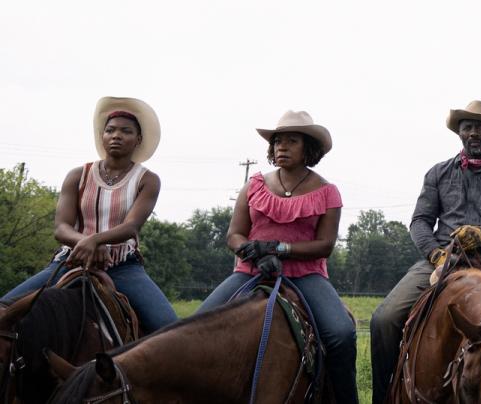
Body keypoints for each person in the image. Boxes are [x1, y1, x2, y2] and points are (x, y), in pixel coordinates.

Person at [369, 100, 481, 404]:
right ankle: (383, 396)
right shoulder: (438, 173)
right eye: (467, 126)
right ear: (459, 133)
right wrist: (434, 254)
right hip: (442, 256)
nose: (473, 132)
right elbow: (420, 221)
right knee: (383, 319)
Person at [194, 110, 358, 404]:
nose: (281, 146)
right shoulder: (254, 185)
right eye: (278, 141)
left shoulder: (327, 192)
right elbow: (234, 234)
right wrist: (252, 252)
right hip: (250, 270)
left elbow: (325, 245)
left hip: (305, 275)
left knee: (341, 333)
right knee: (196, 325)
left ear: (308, 148)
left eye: (291, 141)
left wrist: (279, 249)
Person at [1, 96, 177, 333]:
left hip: (121, 265)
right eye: (110, 130)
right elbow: (61, 228)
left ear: (138, 140)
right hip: (71, 260)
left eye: (126, 131)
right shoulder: (78, 175)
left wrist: (96, 240)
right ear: (102, 136)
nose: (116, 135)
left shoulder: (147, 180)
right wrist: (86, 244)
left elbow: (131, 227)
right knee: (4, 308)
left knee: (168, 327)